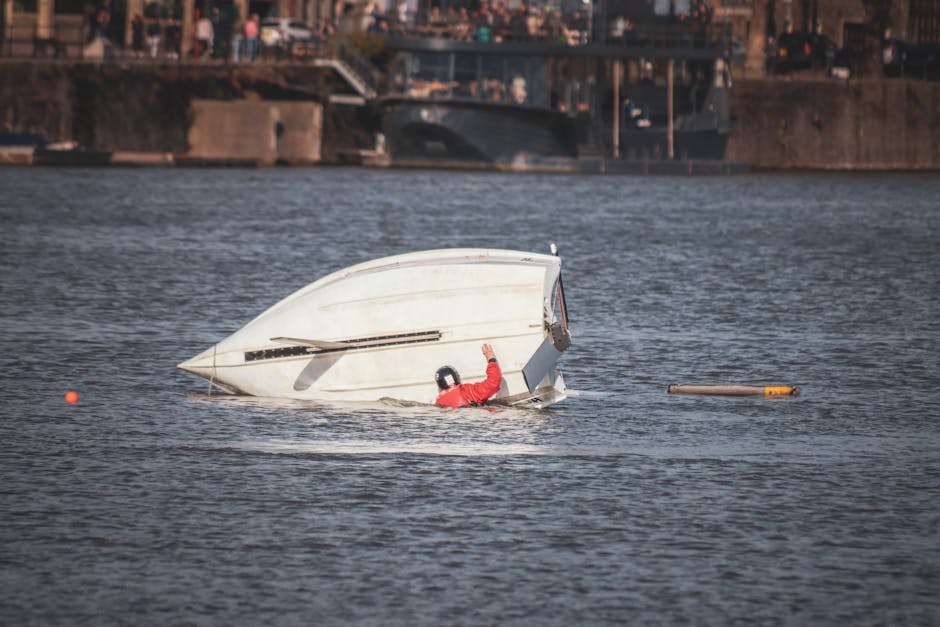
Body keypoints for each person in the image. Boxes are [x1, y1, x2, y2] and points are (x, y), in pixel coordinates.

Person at [435, 343, 502, 408]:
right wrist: (491, 359)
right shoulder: (467, 391)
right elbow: (494, 382)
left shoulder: (439, 402)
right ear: (456, 378)